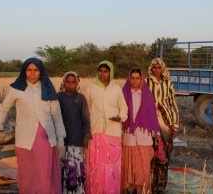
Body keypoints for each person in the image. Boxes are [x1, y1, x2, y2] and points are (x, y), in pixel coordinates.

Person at [0, 57, 66, 194]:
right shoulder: (16, 88)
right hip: (25, 138)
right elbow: (3, 108)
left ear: (41, 72)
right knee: (27, 174)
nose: (33, 73)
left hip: (46, 139)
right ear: (24, 71)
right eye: (29, 70)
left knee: (44, 174)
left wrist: (60, 139)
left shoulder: (48, 88)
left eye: (36, 70)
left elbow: (56, 115)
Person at [83, 60, 128, 194]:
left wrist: (120, 117)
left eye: (106, 72)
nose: (102, 74)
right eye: (100, 71)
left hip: (112, 132)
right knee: (95, 164)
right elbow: (85, 110)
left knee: (112, 165)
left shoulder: (116, 89)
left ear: (110, 73)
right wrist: (86, 129)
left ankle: (111, 190)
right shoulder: (90, 88)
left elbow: (124, 108)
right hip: (95, 130)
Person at [121, 69, 161, 194]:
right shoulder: (123, 93)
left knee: (143, 166)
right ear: (129, 79)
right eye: (132, 78)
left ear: (141, 79)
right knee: (129, 166)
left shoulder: (147, 95)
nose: (135, 81)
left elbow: (152, 116)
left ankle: (142, 189)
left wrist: (157, 133)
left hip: (144, 135)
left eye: (137, 78)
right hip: (129, 135)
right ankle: (129, 188)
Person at [146, 58, 180, 193]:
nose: (156, 70)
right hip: (149, 121)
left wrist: (175, 126)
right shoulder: (146, 82)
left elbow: (173, 104)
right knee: (150, 154)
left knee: (164, 154)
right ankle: (149, 184)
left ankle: (161, 185)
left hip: (166, 122)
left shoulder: (168, 83)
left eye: (159, 67)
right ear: (151, 69)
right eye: (154, 67)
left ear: (163, 69)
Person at [58, 71, 91, 194]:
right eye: (68, 82)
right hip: (63, 140)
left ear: (77, 83)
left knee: (77, 167)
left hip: (78, 139)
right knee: (65, 167)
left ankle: (79, 191)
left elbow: (86, 118)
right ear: (63, 82)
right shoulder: (58, 97)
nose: (70, 85)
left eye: (73, 82)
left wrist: (87, 135)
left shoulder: (81, 98)